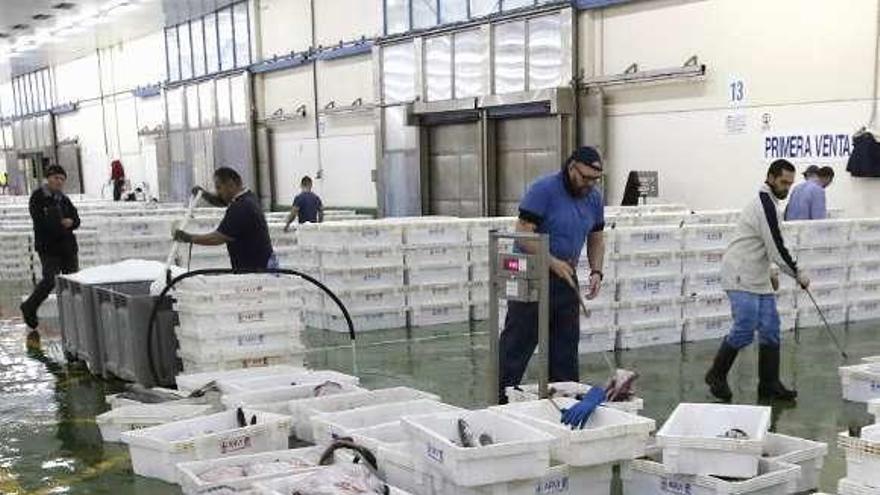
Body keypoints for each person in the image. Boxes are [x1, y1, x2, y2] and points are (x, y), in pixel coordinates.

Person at [498, 146, 606, 405]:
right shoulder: (544, 189)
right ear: (571, 168)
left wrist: (596, 271)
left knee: (565, 348)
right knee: (518, 343)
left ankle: (563, 406)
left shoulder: (593, 198)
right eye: (585, 178)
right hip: (531, 272)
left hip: (565, 274)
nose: (589, 185)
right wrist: (551, 261)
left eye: (595, 180)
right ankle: (500, 400)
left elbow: (596, 237)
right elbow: (523, 233)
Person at [705, 159, 811, 403]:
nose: (786, 188)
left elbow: (766, 242)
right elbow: (776, 245)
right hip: (740, 274)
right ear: (771, 178)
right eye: (783, 182)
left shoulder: (772, 204)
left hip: (758, 274)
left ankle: (769, 384)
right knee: (744, 328)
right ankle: (716, 375)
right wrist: (798, 273)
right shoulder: (764, 203)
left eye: (790, 184)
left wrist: (772, 271)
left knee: (771, 330)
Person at [20, 165, 80, 343]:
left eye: (62, 179)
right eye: (55, 178)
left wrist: (71, 222)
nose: (59, 182)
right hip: (49, 248)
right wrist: (60, 223)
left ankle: (73, 317)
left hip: (68, 248)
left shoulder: (64, 199)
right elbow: (40, 221)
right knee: (50, 279)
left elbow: (76, 219)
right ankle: (29, 306)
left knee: (73, 284)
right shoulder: (38, 197)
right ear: (48, 178)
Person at [173, 167, 275, 271]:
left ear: (230, 184)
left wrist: (188, 238)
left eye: (218, 187)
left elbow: (218, 238)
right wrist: (204, 194)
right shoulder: (248, 197)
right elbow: (222, 201)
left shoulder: (240, 208)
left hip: (255, 271)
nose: (218, 192)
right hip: (263, 265)